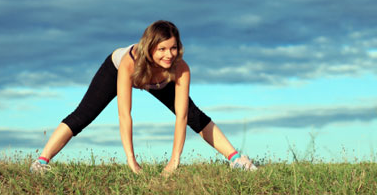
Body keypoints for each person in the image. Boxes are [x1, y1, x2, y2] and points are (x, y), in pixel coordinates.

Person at [30, 20, 257, 174]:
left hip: (160, 78)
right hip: (119, 69)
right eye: (162, 49)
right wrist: (131, 160)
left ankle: (237, 159)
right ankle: (40, 163)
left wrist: (174, 161)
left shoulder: (179, 68)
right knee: (84, 115)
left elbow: (182, 116)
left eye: (173, 48)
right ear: (150, 48)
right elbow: (125, 115)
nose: (169, 55)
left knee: (195, 116)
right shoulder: (129, 62)